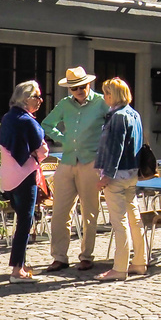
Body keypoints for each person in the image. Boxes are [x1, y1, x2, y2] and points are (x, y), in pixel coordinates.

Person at [40, 66, 108, 272]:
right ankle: (59, 257)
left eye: (82, 86)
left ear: (89, 84)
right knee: (60, 211)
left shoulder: (101, 103)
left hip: (90, 162)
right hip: (68, 161)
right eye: (74, 88)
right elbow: (47, 123)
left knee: (89, 211)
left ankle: (87, 256)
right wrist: (64, 139)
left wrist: (102, 147)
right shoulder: (64, 104)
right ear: (69, 89)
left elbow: (114, 125)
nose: (79, 90)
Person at [95, 77, 147, 281]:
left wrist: (106, 175)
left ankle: (119, 267)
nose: (105, 97)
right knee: (134, 219)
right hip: (132, 173)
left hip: (117, 175)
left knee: (120, 222)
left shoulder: (117, 116)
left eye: (107, 93)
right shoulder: (134, 114)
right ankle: (140, 262)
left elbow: (116, 148)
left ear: (112, 95)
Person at [0, 81, 49, 283]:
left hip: (8, 176)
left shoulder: (8, 118)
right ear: (26, 98)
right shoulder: (27, 121)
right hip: (25, 175)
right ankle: (17, 270)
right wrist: (41, 150)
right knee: (25, 222)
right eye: (37, 97)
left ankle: (21, 264)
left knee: (20, 220)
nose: (40, 101)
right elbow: (40, 149)